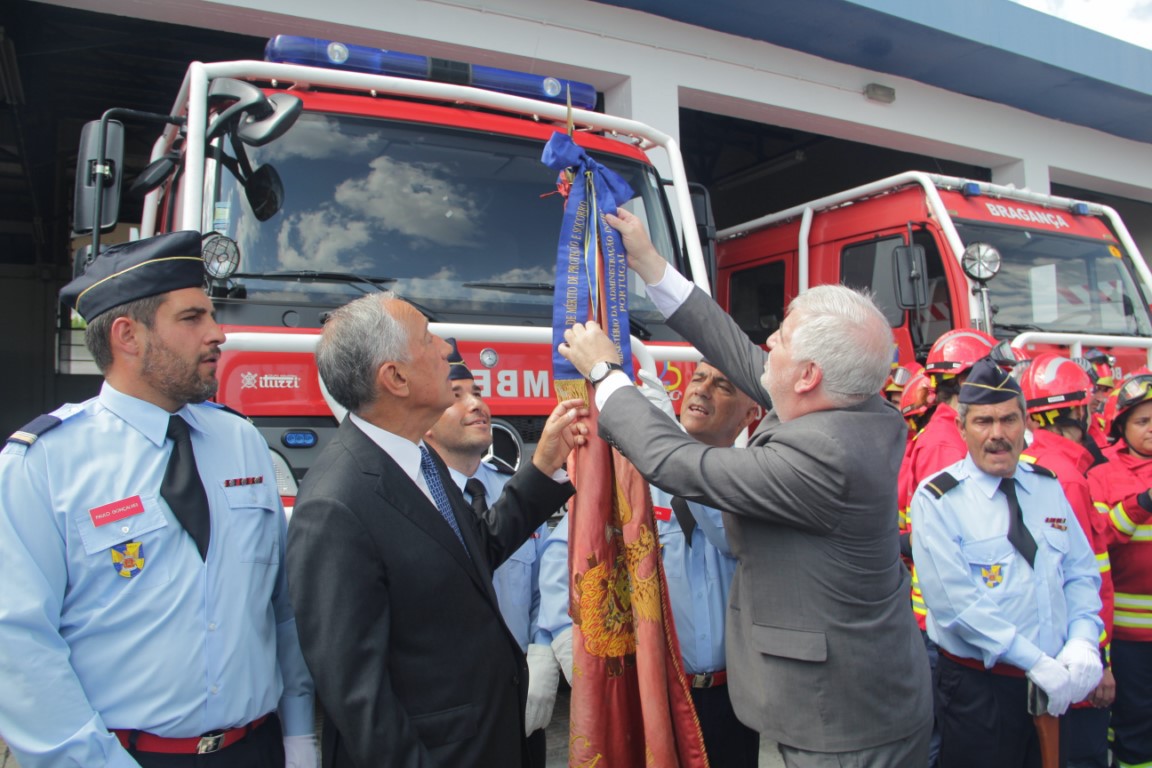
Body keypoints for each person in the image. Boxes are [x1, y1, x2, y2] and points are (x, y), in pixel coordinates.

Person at [558, 208, 932, 766]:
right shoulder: (848, 404)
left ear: (807, 377)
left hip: (840, 727)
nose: (768, 344)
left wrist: (606, 376)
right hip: (837, 705)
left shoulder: (826, 458)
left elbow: (678, 463)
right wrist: (650, 264)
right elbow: (735, 348)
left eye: (780, 338)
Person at [0, 231, 316, 768]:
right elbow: (17, 645)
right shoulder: (44, 465)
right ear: (129, 336)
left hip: (255, 750)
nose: (218, 333)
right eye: (192, 318)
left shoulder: (239, 440)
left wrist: (301, 737)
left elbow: (282, 608)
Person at [285, 293, 587, 768]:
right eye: (427, 340)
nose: (446, 351)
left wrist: (545, 464)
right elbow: (359, 698)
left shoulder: (416, 457)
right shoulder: (334, 506)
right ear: (396, 378)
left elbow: (475, 550)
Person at [538, 360, 764, 767]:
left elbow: (734, 540)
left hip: (735, 699)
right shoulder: (635, 480)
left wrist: (680, 455)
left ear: (751, 414)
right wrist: (563, 640)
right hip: (658, 694)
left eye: (723, 385)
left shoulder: (756, 482)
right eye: (697, 378)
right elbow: (568, 552)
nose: (702, 390)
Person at [911, 358, 1104, 768]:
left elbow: (1080, 572)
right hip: (982, 690)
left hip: (1055, 685)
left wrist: (1085, 639)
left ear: (1026, 425)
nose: (998, 435)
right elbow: (956, 605)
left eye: (1008, 420)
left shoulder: (1047, 487)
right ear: (963, 429)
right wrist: (1033, 661)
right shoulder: (939, 499)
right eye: (983, 422)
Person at [422, 340, 560, 767]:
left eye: (477, 391)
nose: (477, 404)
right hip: (449, 710)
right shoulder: (411, 496)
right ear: (424, 419)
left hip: (519, 695)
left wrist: (541, 649)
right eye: (457, 394)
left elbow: (545, 579)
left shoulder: (515, 491)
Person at [1019, 354, 1115, 768]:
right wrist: (1101, 658)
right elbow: (1088, 579)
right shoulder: (1069, 478)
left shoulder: (1029, 465)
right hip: (1072, 656)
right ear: (1079, 409)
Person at [1086, 371, 1152, 768]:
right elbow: (1103, 537)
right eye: (1143, 421)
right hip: (1129, 636)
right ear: (1121, 426)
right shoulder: (1102, 474)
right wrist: (1143, 501)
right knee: (1135, 728)